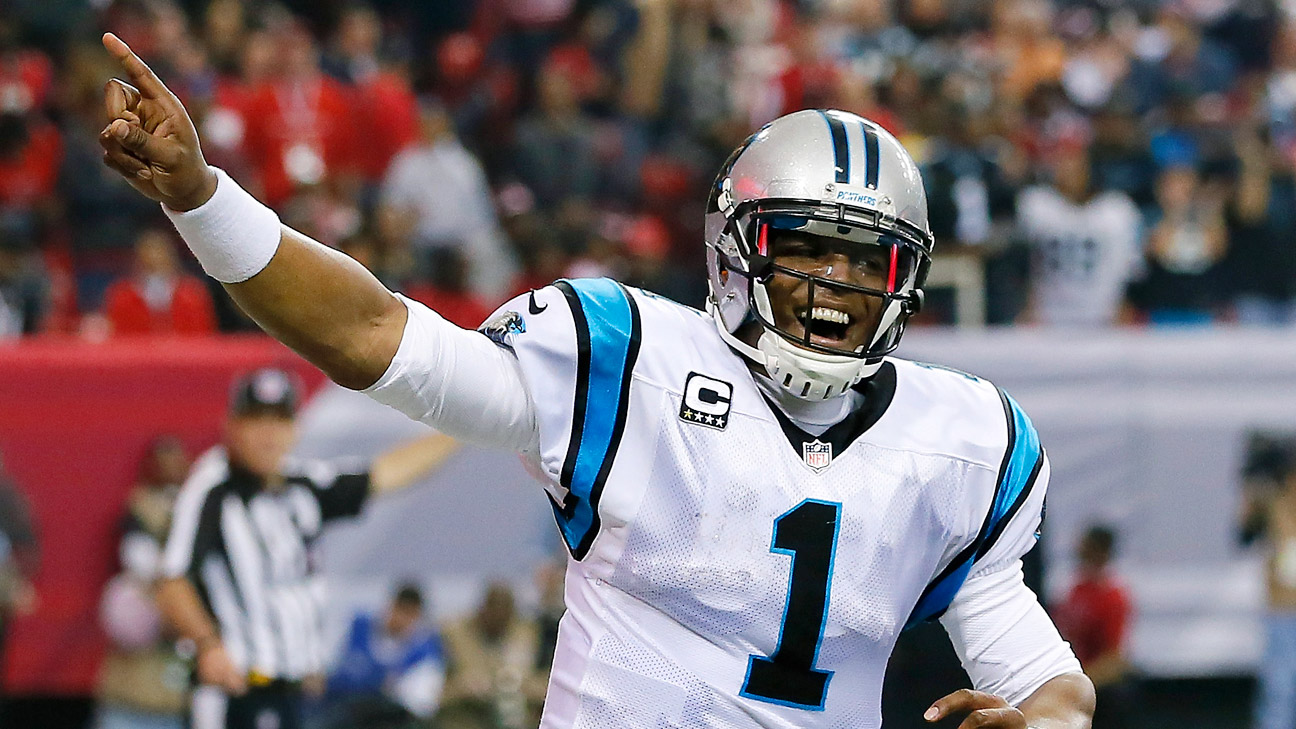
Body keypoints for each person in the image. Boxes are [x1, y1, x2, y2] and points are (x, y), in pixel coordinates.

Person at [97, 33, 1094, 729]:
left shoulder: (958, 442)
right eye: (806, 248)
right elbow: (372, 337)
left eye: (861, 261)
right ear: (739, 251)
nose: (833, 284)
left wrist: (1050, 719)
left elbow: (1042, 670)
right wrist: (201, 197)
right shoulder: (627, 361)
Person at [153, 366, 458, 729]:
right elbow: (172, 580)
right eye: (257, 420)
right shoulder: (214, 486)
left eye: (279, 421)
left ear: (295, 428)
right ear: (232, 426)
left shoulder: (302, 485)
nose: (268, 434)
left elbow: (383, 475)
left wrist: (462, 430)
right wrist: (207, 644)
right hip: (236, 693)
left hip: (294, 694)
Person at [95, 436, 193, 729]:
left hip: (180, 692)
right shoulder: (141, 507)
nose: (170, 468)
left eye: (176, 460)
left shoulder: (196, 503)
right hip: (133, 690)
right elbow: (138, 560)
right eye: (162, 461)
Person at [320, 583, 443, 729]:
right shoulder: (356, 626)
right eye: (399, 610)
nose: (402, 619)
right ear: (390, 606)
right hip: (334, 709)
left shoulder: (424, 654)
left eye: (410, 615)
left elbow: (420, 705)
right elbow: (321, 669)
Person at [1238, 434, 1296, 729]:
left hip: (1284, 609)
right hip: (1284, 611)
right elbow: (1243, 533)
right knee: (1280, 691)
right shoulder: (1272, 503)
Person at [1051, 526, 1133, 729]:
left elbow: (1114, 660)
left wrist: (1076, 683)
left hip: (1095, 691)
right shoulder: (1075, 590)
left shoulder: (1113, 597)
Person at [439, 582, 546, 729]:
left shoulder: (528, 633)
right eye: (494, 612)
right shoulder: (454, 634)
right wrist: (463, 686)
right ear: (484, 610)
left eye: (504, 614)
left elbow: (545, 683)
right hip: (466, 716)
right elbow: (432, 693)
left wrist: (523, 686)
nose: (498, 619)